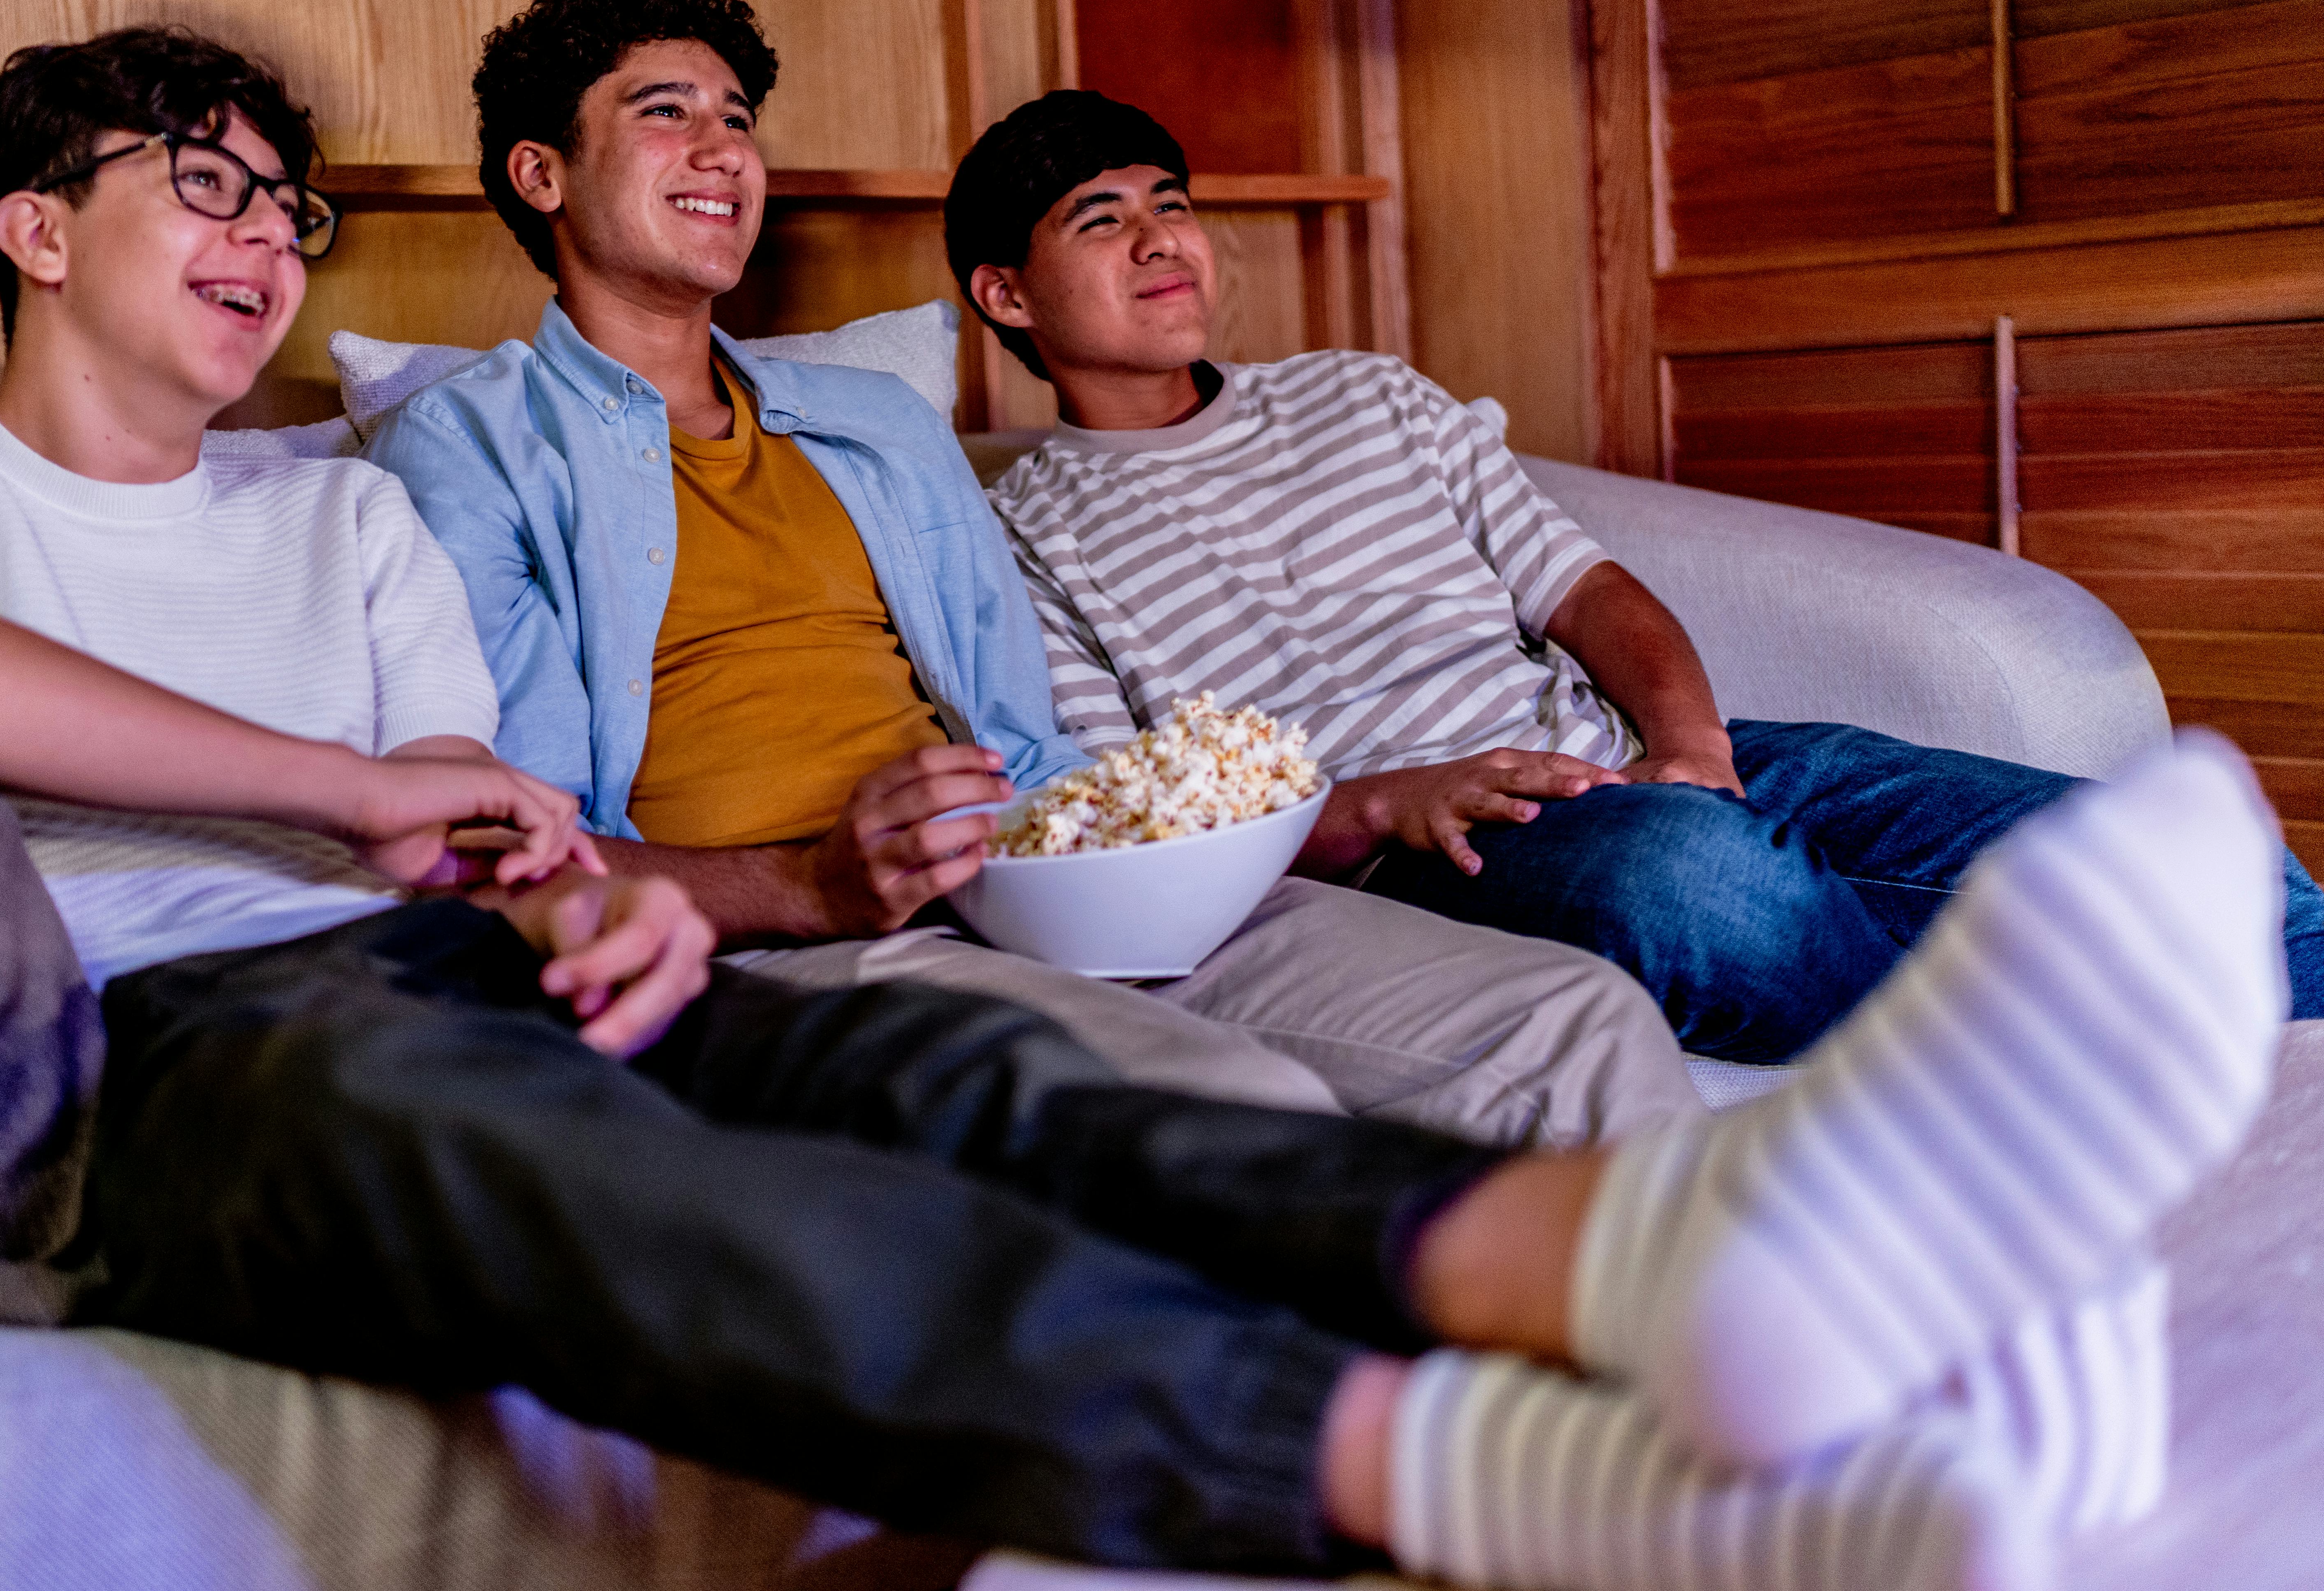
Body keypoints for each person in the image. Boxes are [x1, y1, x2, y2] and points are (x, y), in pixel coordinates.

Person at [0, 21, 2277, 1589]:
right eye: (210, 187)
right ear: (29, 226)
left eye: (289, 206)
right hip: (184, 1023)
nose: (270, 242)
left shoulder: (343, 508)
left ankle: (1675, 1269)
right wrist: (383, 812)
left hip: (525, 953)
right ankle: (1446, 1471)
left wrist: (574, 894)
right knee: (608, 1143)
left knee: (967, 1074)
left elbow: (489, 798)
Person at [369, 0, 1699, 1147]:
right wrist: (811, 884)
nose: (722, 149)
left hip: (1042, 877)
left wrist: (1208, 836)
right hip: (800, 940)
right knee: (1237, 1109)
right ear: (543, 173)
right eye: (666, 112)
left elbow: (1033, 734)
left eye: (738, 119)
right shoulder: (469, 449)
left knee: (1569, 1020)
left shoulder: (877, 424)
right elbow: (522, 855)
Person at [956, 88, 2324, 1063]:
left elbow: (1594, 597)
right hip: (1451, 847)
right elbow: (1143, 832)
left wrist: (1693, 742)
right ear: (1007, 296)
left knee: (2208, 856)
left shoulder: (1367, 398)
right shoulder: (1027, 536)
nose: (1164, 239)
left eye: (1173, 203)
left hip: (1644, 758)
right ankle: (2074, 1043)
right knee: (1693, 892)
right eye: (1102, 218)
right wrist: (1390, 800)